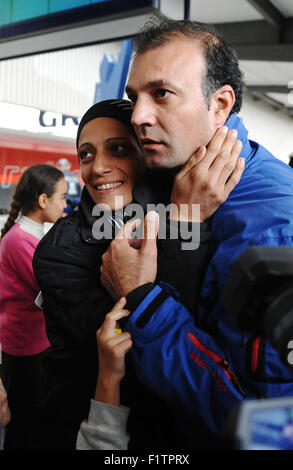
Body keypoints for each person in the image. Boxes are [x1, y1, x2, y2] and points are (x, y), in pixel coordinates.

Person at [99, 14, 293, 445]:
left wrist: (144, 300)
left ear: (220, 105)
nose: (139, 116)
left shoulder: (276, 228)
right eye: (135, 97)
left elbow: (267, 424)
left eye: (162, 94)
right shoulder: (162, 176)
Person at [32, 98, 243, 450]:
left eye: (117, 149)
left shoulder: (179, 211)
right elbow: (135, 351)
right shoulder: (59, 250)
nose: (97, 167)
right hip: (92, 425)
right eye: (86, 154)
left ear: (147, 158)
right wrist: (186, 222)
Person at [0, 164, 67, 450]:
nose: (65, 205)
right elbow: (51, 292)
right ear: (43, 201)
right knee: (25, 420)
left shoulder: (29, 235)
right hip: (25, 346)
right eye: (62, 197)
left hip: (31, 341)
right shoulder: (20, 241)